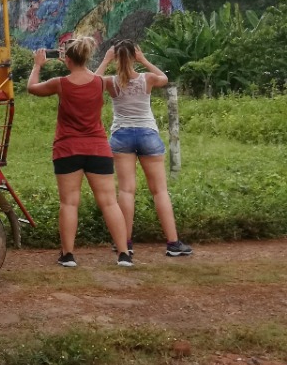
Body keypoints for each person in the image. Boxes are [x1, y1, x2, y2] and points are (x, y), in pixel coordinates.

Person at [27, 36, 133, 268]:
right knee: (109, 203)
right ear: (86, 57)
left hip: (68, 149)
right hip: (98, 148)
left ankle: (68, 255)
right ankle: (124, 254)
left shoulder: (60, 83)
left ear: (66, 59)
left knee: (69, 203)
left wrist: (37, 65)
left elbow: (31, 88)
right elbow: (96, 77)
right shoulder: (100, 82)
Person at [95, 40, 193, 257]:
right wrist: (144, 60)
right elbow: (164, 78)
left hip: (121, 136)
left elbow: (91, 81)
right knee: (160, 191)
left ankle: (125, 242)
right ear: (133, 56)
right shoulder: (146, 78)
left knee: (126, 190)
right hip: (147, 134)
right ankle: (173, 243)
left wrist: (106, 59)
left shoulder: (111, 82)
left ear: (117, 58)